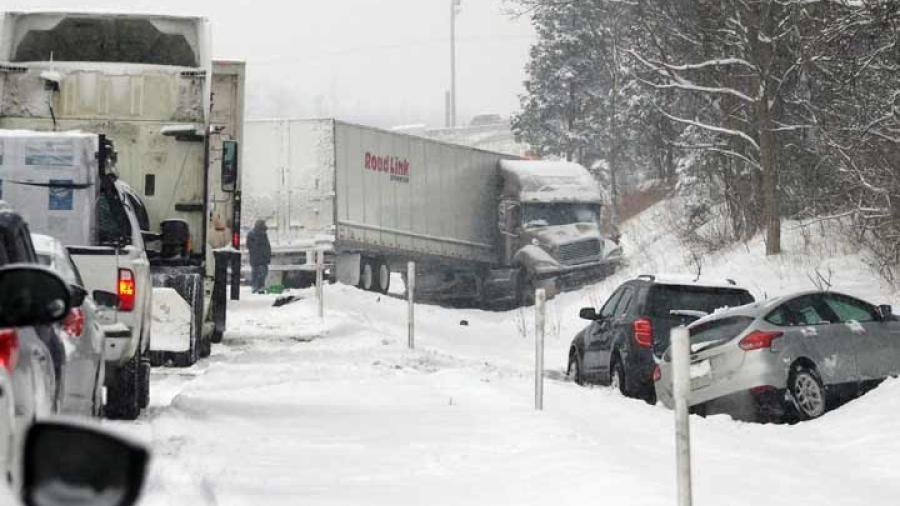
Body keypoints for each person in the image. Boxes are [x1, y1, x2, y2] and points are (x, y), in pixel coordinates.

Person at [247, 219, 271, 294]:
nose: (264, 231)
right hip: (256, 259)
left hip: (262, 258)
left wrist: (268, 256)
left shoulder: (263, 234)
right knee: (258, 273)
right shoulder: (252, 235)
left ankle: (259, 287)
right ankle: (256, 287)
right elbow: (251, 246)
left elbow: (267, 246)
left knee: (263, 273)